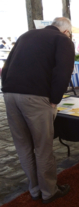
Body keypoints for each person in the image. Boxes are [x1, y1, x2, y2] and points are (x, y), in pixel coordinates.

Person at [1, 17, 74, 203]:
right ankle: (49, 191)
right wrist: (55, 100)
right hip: (35, 97)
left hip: (10, 95)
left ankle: (34, 189)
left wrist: (6, 89)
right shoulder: (63, 40)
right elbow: (63, 71)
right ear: (66, 31)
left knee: (23, 146)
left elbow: (6, 68)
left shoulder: (26, 35)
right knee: (43, 147)